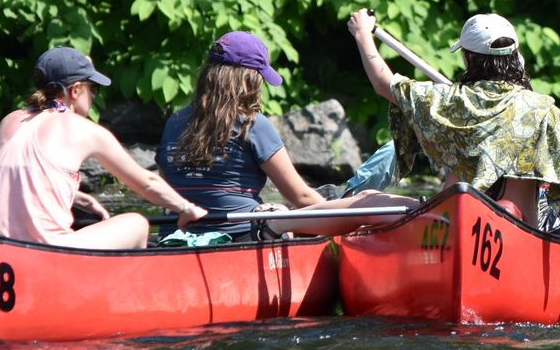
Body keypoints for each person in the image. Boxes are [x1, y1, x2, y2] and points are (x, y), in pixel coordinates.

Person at [346, 8, 560, 241]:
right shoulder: (545, 111)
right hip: (520, 230)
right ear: (515, 56)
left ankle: (310, 223)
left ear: (468, 59)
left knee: (367, 199)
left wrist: (362, 34)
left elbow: (383, 82)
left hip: (450, 223)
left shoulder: (450, 102)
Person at [157, 31, 411, 238]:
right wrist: (340, 219)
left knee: (330, 196)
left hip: (176, 235)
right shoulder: (252, 125)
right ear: (248, 79)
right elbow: (300, 197)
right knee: (361, 199)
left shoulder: (174, 122)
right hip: (241, 234)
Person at [0, 47, 208, 249]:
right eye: (93, 89)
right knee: (137, 223)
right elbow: (147, 183)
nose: (93, 96)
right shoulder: (84, 130)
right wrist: (187, 208)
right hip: (43, 251)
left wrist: (74, 195)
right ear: (75, 90)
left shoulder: (10, 121)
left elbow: (11, 176)